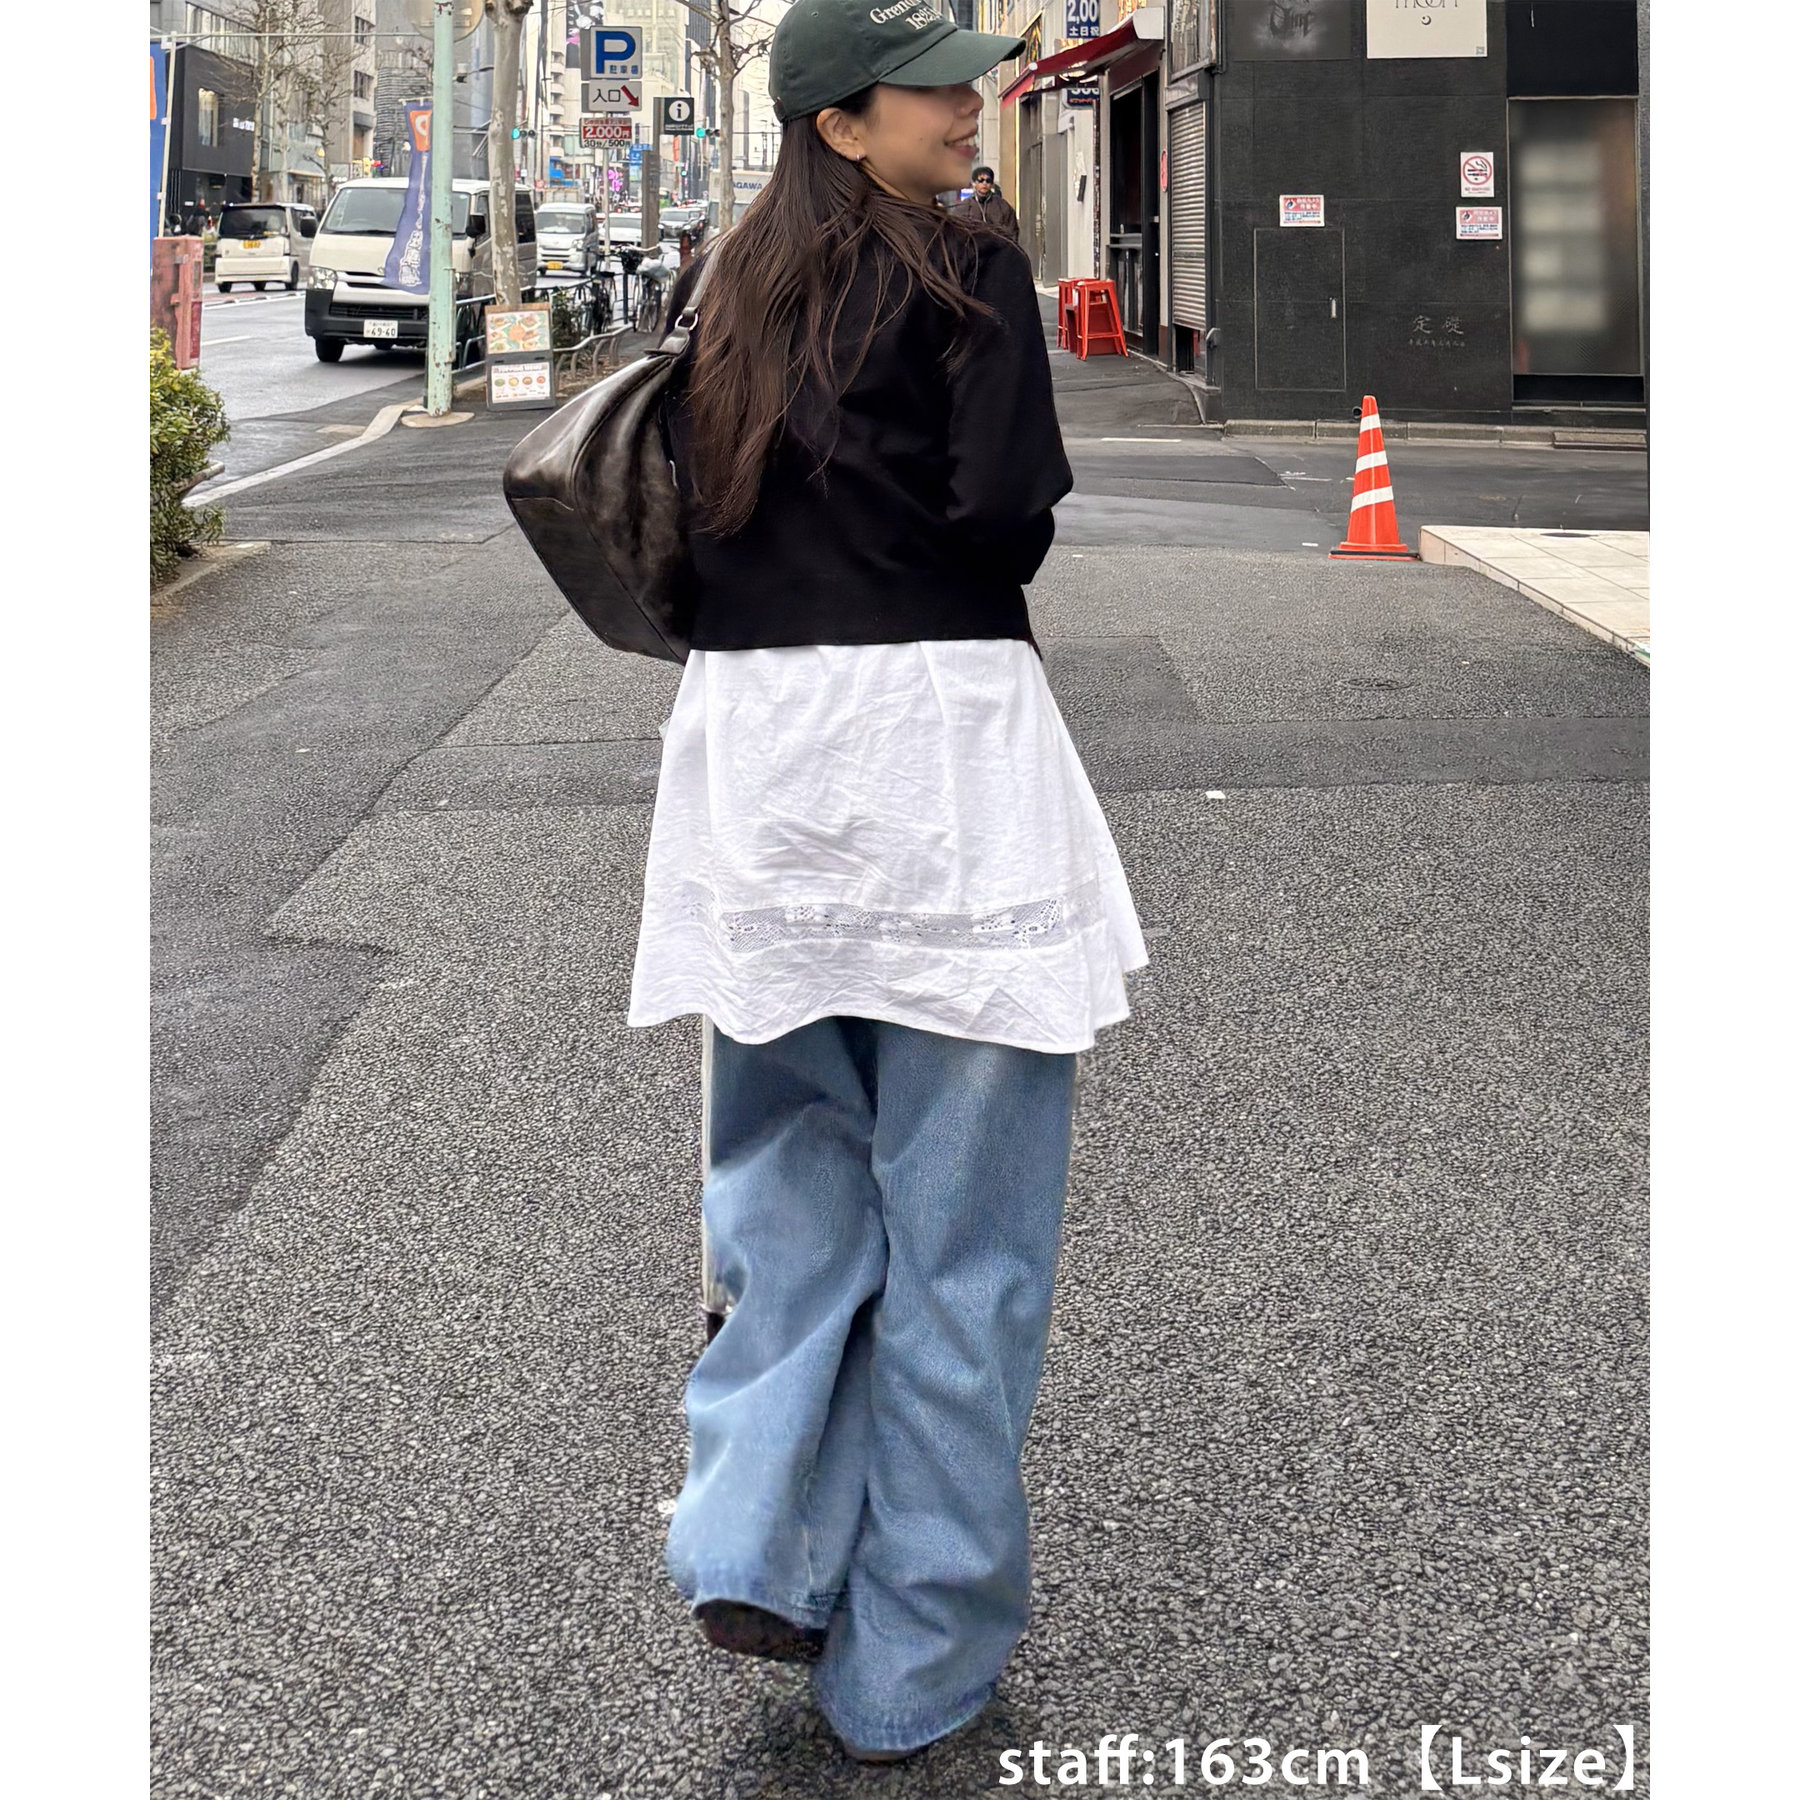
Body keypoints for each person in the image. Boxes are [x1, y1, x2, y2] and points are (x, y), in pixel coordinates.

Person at [633, 0, 1147, 1766]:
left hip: (761, 766)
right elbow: (1004, 518)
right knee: (965, 1242)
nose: (968, 102)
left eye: (970, 74)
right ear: (839, 121)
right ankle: (910, 1662)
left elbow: (691, 519)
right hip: (938, 760)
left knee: (785, 1195)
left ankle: (754, 1538)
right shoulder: (969, 265)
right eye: (929, 86)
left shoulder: (725, 276)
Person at [950, 163, 1020, 242]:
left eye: (988, 181)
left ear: (992, 184)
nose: (984, 183)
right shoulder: (964, 207)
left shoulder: (1003, 206)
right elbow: (955, 231)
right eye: (981, 180)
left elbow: (1012, 232)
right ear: (974, 183)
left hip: (997, 247)